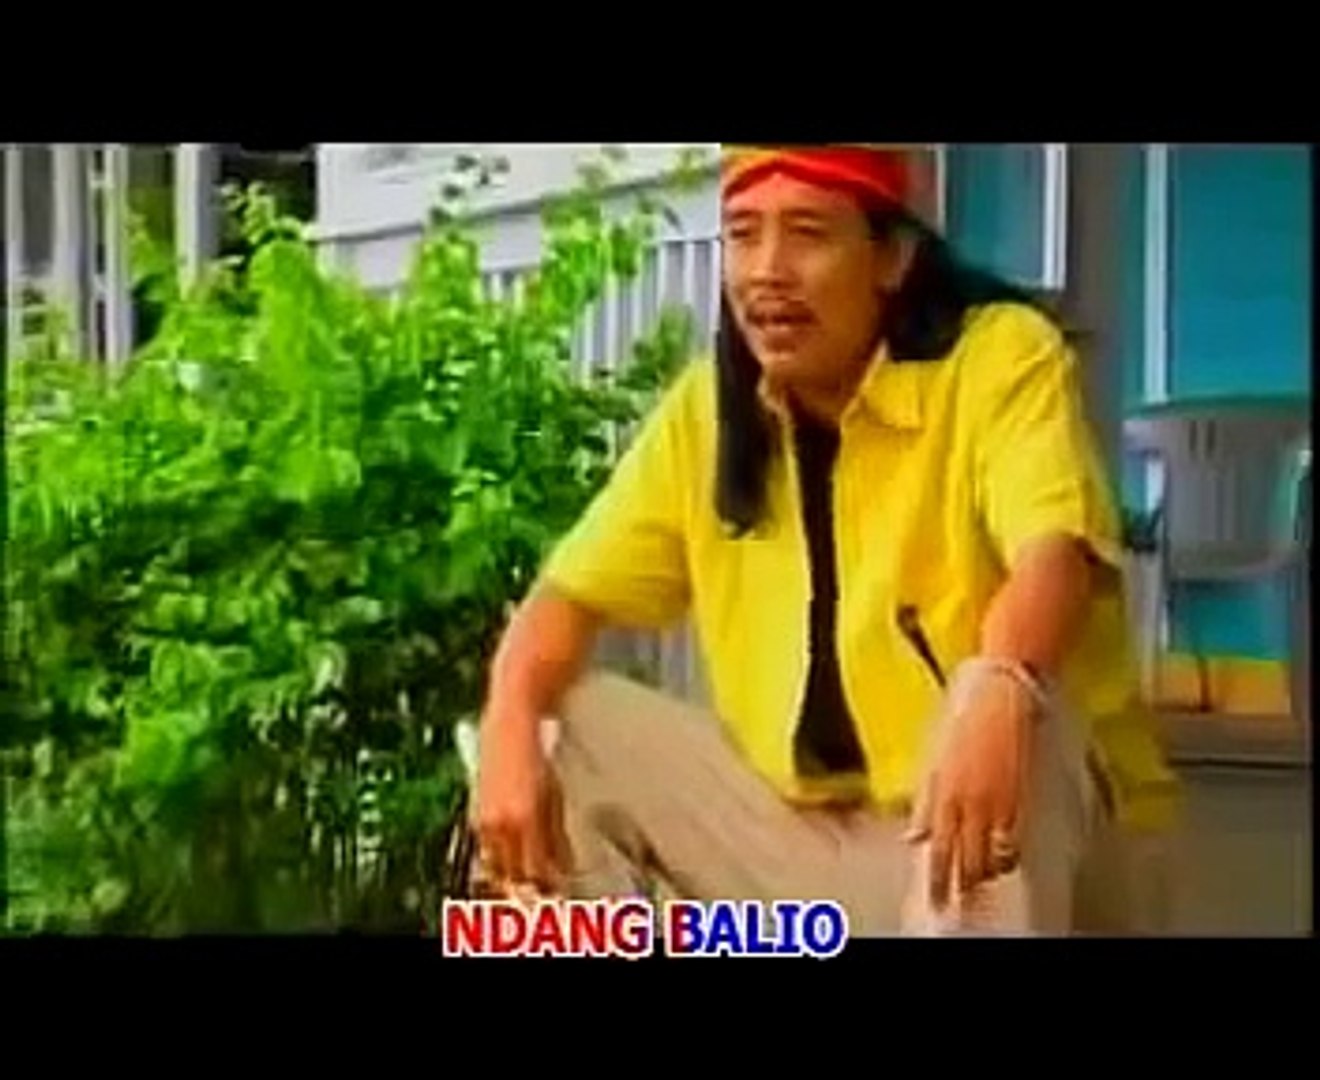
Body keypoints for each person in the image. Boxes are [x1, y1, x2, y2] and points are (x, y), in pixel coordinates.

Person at [472, 144, 1181, 935]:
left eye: (807, 233)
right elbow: (564, 597)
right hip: (816, 845)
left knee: (1017, 710)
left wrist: (997, 683)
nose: (767, 272)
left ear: (891, 257)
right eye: (743, 235)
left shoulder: (997, 357)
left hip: (1010, 848)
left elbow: (1054, 557)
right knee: (563, 723)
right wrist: (507, 724)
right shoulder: (709, 411)